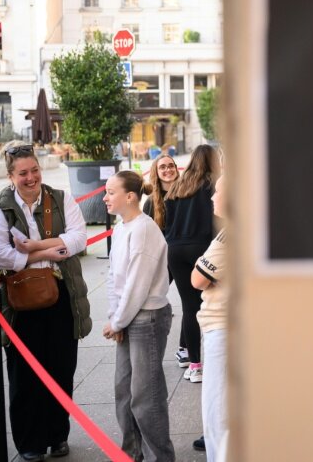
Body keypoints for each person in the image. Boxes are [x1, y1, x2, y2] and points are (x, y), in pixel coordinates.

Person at [0, 142, 92, 461]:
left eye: (34, 170)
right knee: (23, 376)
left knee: (61, 368)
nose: (30, 177)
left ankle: (57, 435)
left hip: (62, 297)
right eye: (23, 173)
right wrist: (47, 252)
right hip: (20, 303)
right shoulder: (0, 208)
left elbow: (78, 239)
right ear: (10, 176)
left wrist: (31, 248)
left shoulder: (60, 198)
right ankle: (30, 443)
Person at [102, 170, 175, 461]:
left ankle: (160, 457)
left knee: (147, 399)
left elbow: (137, 285)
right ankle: (132, 453)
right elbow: (114, 277)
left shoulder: (144, 229)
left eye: (110, 192)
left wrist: (117, 321)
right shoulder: (121, 228)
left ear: (130, 197)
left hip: (147, 319)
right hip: (127, 316)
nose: (105, 197)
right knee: (125, 394)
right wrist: (115, 318)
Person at [164, 144, 220, 384]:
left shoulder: (178, 185)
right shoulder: (213, 185)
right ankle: (215, 359)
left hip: (175, 250)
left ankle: (194, 365)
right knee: (209, 304)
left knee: (189, 306)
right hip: (202, 248)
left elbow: (168, 218)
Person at [191, 175, 230, 460]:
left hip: (223, 327)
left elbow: (197, 279)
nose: (212, 197)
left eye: (218, 191)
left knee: (217, 411)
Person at [142, 154, 190, 367]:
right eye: (163, 167)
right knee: (150, 300)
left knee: (190, 302)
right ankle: (145, 348)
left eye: (171, 165)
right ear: (156, 171)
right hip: (161, 258)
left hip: (182, 256)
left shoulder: (187, 193)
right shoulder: (151, 202)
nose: (168, 169)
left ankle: (185, 348)